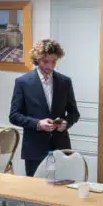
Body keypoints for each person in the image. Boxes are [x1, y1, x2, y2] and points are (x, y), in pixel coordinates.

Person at [9, 38, 80, 177]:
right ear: (37, 59)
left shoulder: (65, 82)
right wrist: (38, 124)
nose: (50, 66)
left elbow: (74, 113)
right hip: (34, 150)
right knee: (35, 190)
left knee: (61, 188)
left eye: (54, 62)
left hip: (61, 149)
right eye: (46, 62)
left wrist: (66, 123)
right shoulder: (23, 82)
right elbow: (14, 115)